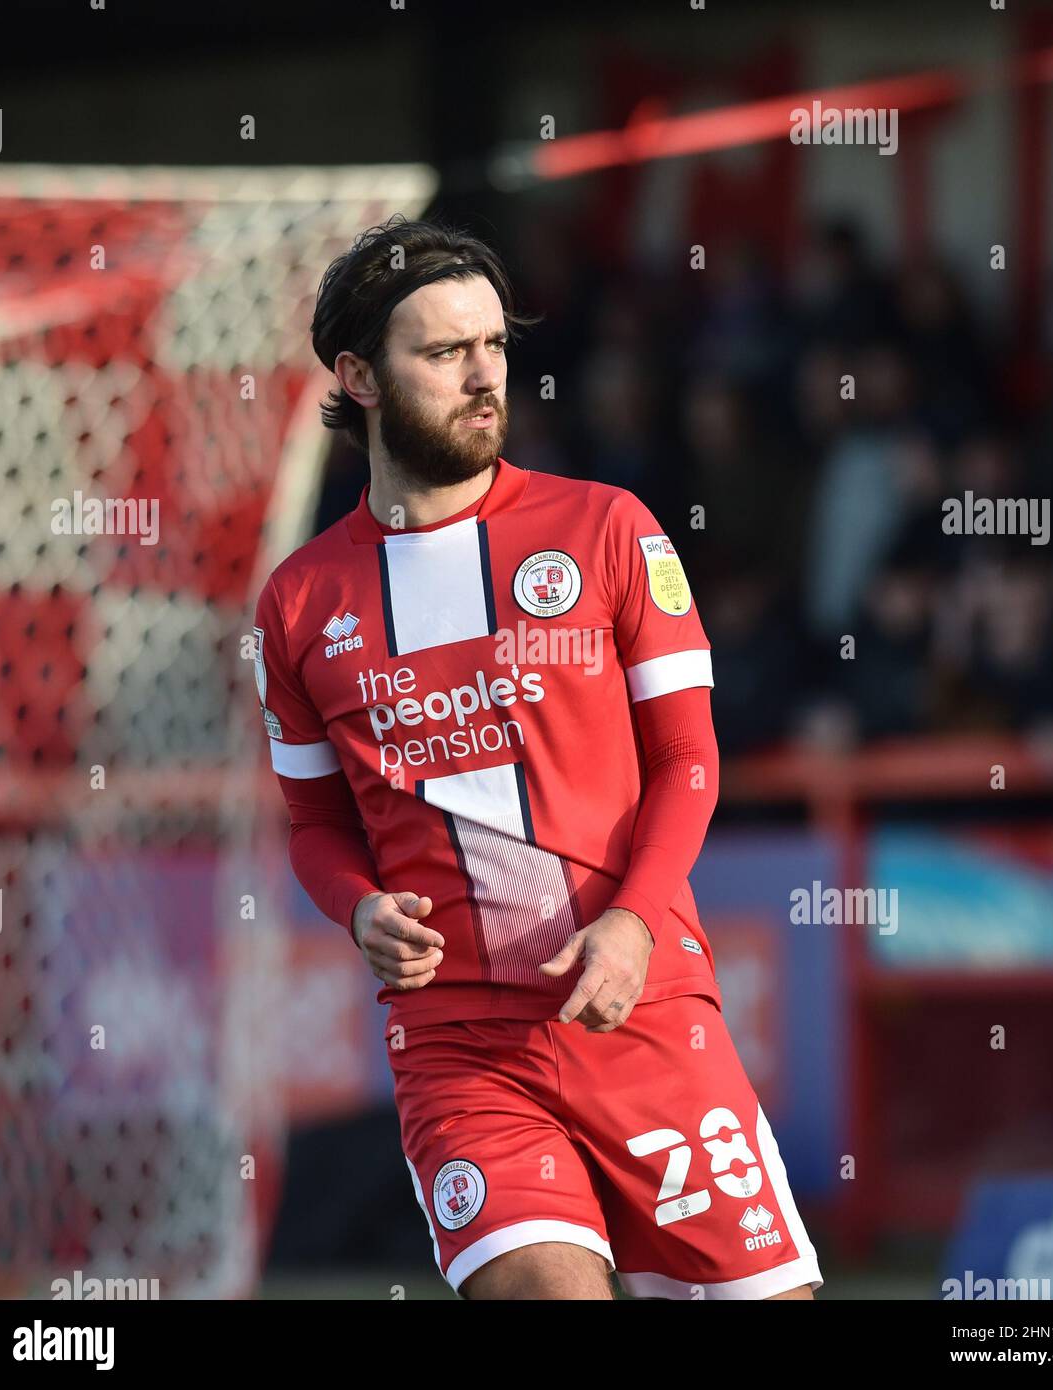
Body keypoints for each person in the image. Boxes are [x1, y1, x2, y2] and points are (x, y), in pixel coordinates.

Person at [252, 215, 822, 1301]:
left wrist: (630, 919)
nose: (482, 377)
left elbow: (688, 758)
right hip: (459, 1046)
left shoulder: (605, 528)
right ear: (357, 376)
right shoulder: (298, 601)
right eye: (443, 352)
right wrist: (357, 906)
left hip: (638, 1007)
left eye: (493, 347)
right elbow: (315, 825)